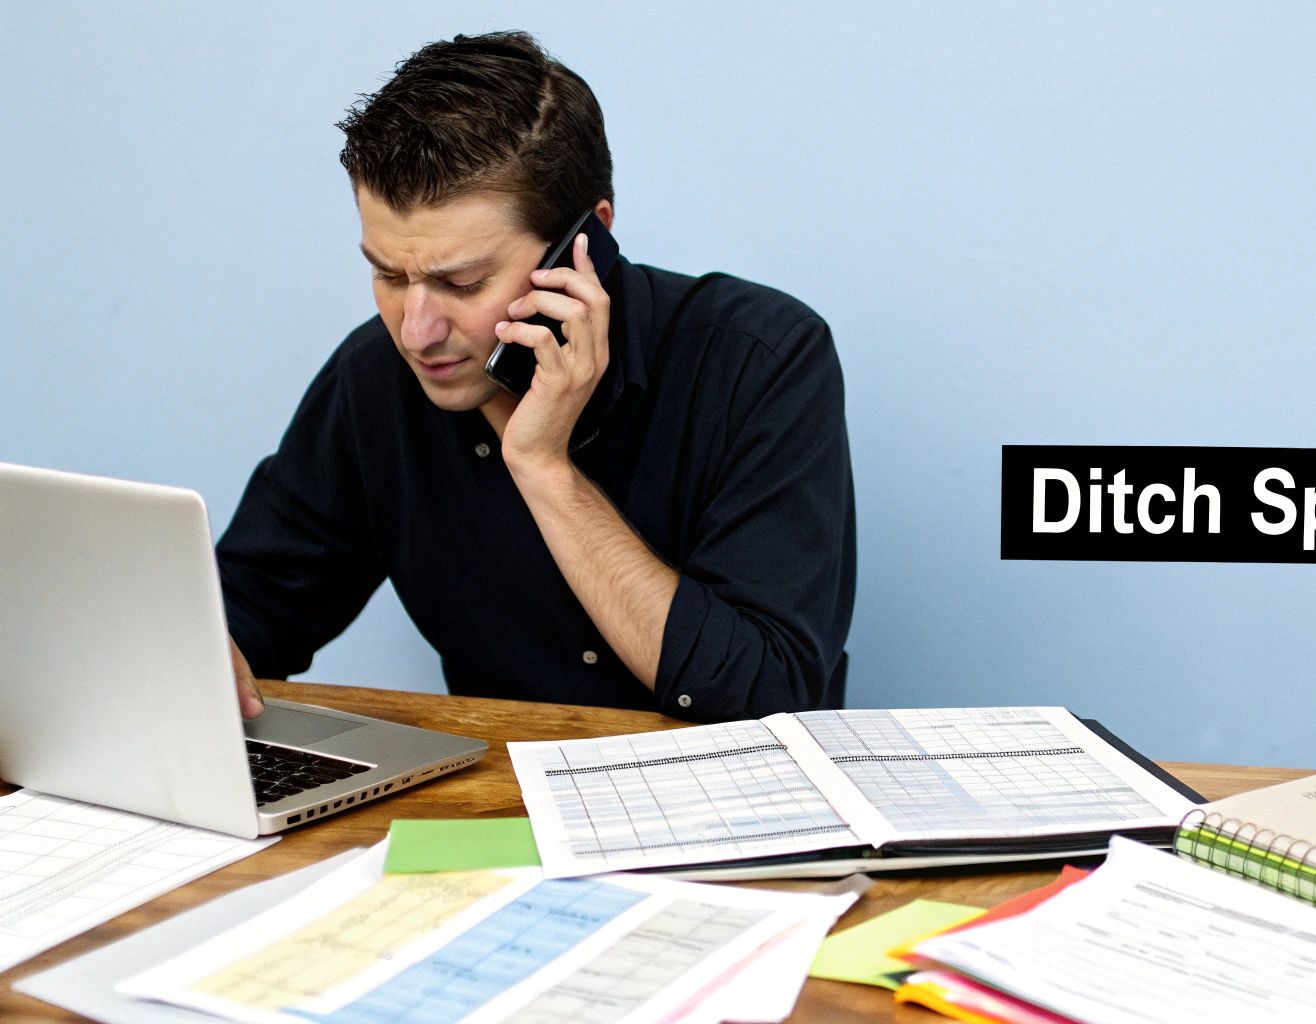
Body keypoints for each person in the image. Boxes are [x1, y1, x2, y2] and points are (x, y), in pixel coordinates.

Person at [217, 31, 856, 723]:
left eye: (460, 282)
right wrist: (203, 649)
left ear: (584, 247)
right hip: (496, 805)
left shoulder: (761, 360)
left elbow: (765, 697)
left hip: (735, 808)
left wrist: (544, 468)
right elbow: (251, 604)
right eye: (387, 274)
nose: (416, 329)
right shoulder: (375, 376)